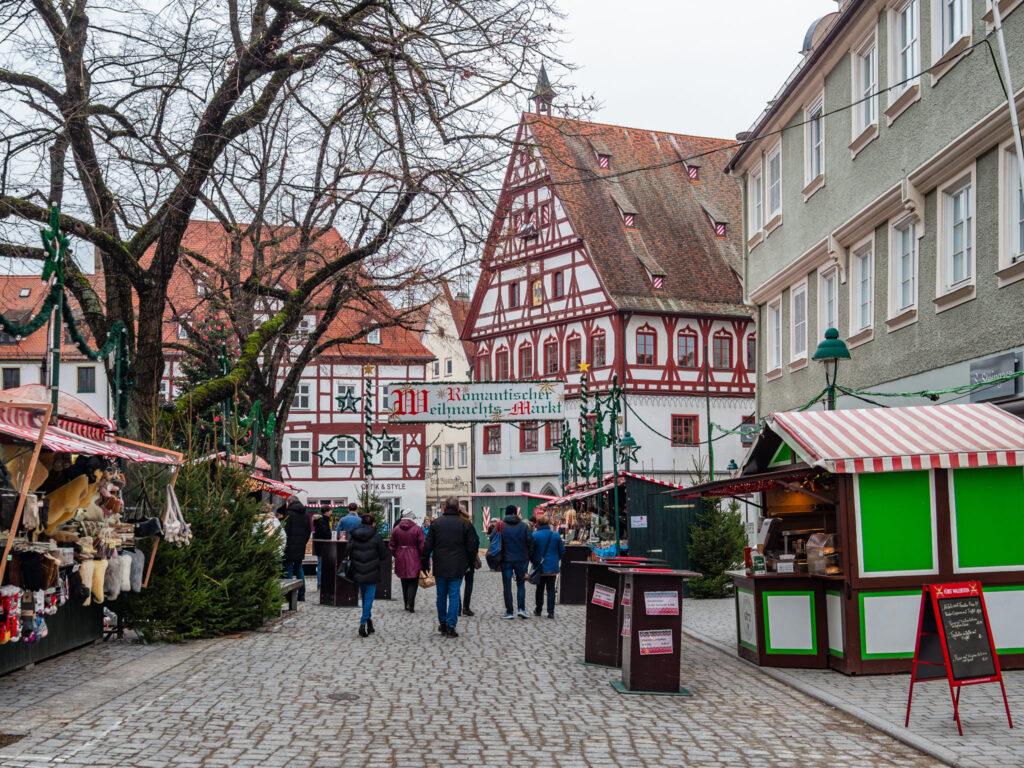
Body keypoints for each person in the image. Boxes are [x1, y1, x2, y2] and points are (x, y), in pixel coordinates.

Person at [422, 496, 478, 638]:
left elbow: (427, 545)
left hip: (440, 564)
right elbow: (472, 546)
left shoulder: (436, 524)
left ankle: (443, 623)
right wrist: (470, 562)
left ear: (445, 508)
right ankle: (451, 625)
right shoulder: (465, 524)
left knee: (441, 595)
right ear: (458, 508)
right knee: (454, 595)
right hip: (458, 565)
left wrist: (424, 563)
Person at [348, 513, 387, 637]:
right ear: (373, 524)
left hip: (358, 569)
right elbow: (384, 555)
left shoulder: (354, 536)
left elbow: (347, 551)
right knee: (369, 598)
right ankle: (363, 623)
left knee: (365, 597)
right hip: (372, 570)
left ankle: (369, 622)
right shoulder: (376, 537)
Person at [499, 505, 533, 619]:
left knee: (507, 585)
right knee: (521, 584)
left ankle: (509, 612)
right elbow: (530, 541)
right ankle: (521, 609)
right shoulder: (524, 526)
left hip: (506, 559)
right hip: (521, 559)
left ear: (506, 514)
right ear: (516, 513)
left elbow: (494, 539)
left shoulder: (501, 525)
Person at [530, 513, 565, 618]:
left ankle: (538, 610)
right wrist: (556, 559)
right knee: (551, 590)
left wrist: (534, 561)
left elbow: (531, 551)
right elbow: (562, 550)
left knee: (539, 589)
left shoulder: (534, 535)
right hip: (552, 567)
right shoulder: (555, 535)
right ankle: (551, 612)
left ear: (538, 524)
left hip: (540, 567)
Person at [390, 510, 425, 612]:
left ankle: (406, 604)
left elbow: (392, 545)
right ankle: (411, 604)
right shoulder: (417, 529)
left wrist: (396, 554)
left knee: (404, 580)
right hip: (414, 556)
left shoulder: (396, 529)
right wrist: (423, 558)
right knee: (413, 581)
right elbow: (422, 545)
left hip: (400, 555)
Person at [280, 496, 311, 601]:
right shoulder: (306, 515)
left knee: (288, 569)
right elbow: (308, 532)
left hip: (288, 547)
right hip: (300, 546)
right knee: (299, 569)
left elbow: (285, 531)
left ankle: (289, 595)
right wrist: (303, 543)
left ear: (290, 502)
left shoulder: (289, 514)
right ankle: (301, 594)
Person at [458, 507, 481, 616]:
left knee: (455, 584)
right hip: (467, 559)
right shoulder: (468, 524)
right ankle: (466, 607)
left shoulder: (450, 524)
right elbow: (476, 541)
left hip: (455, 559)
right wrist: (473, 557)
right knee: (469, 582)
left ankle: (457, 607)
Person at [312, 504, 334, 590]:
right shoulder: (322, 522)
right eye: (330, 511)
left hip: (322, 547)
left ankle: (321, 584)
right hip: (323, 547)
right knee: (321, 566)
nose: (331, 512)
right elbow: (326, 535)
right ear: (327, 512)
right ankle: (320, 585)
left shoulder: (322, 521)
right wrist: (330, 533)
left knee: (322, 566)